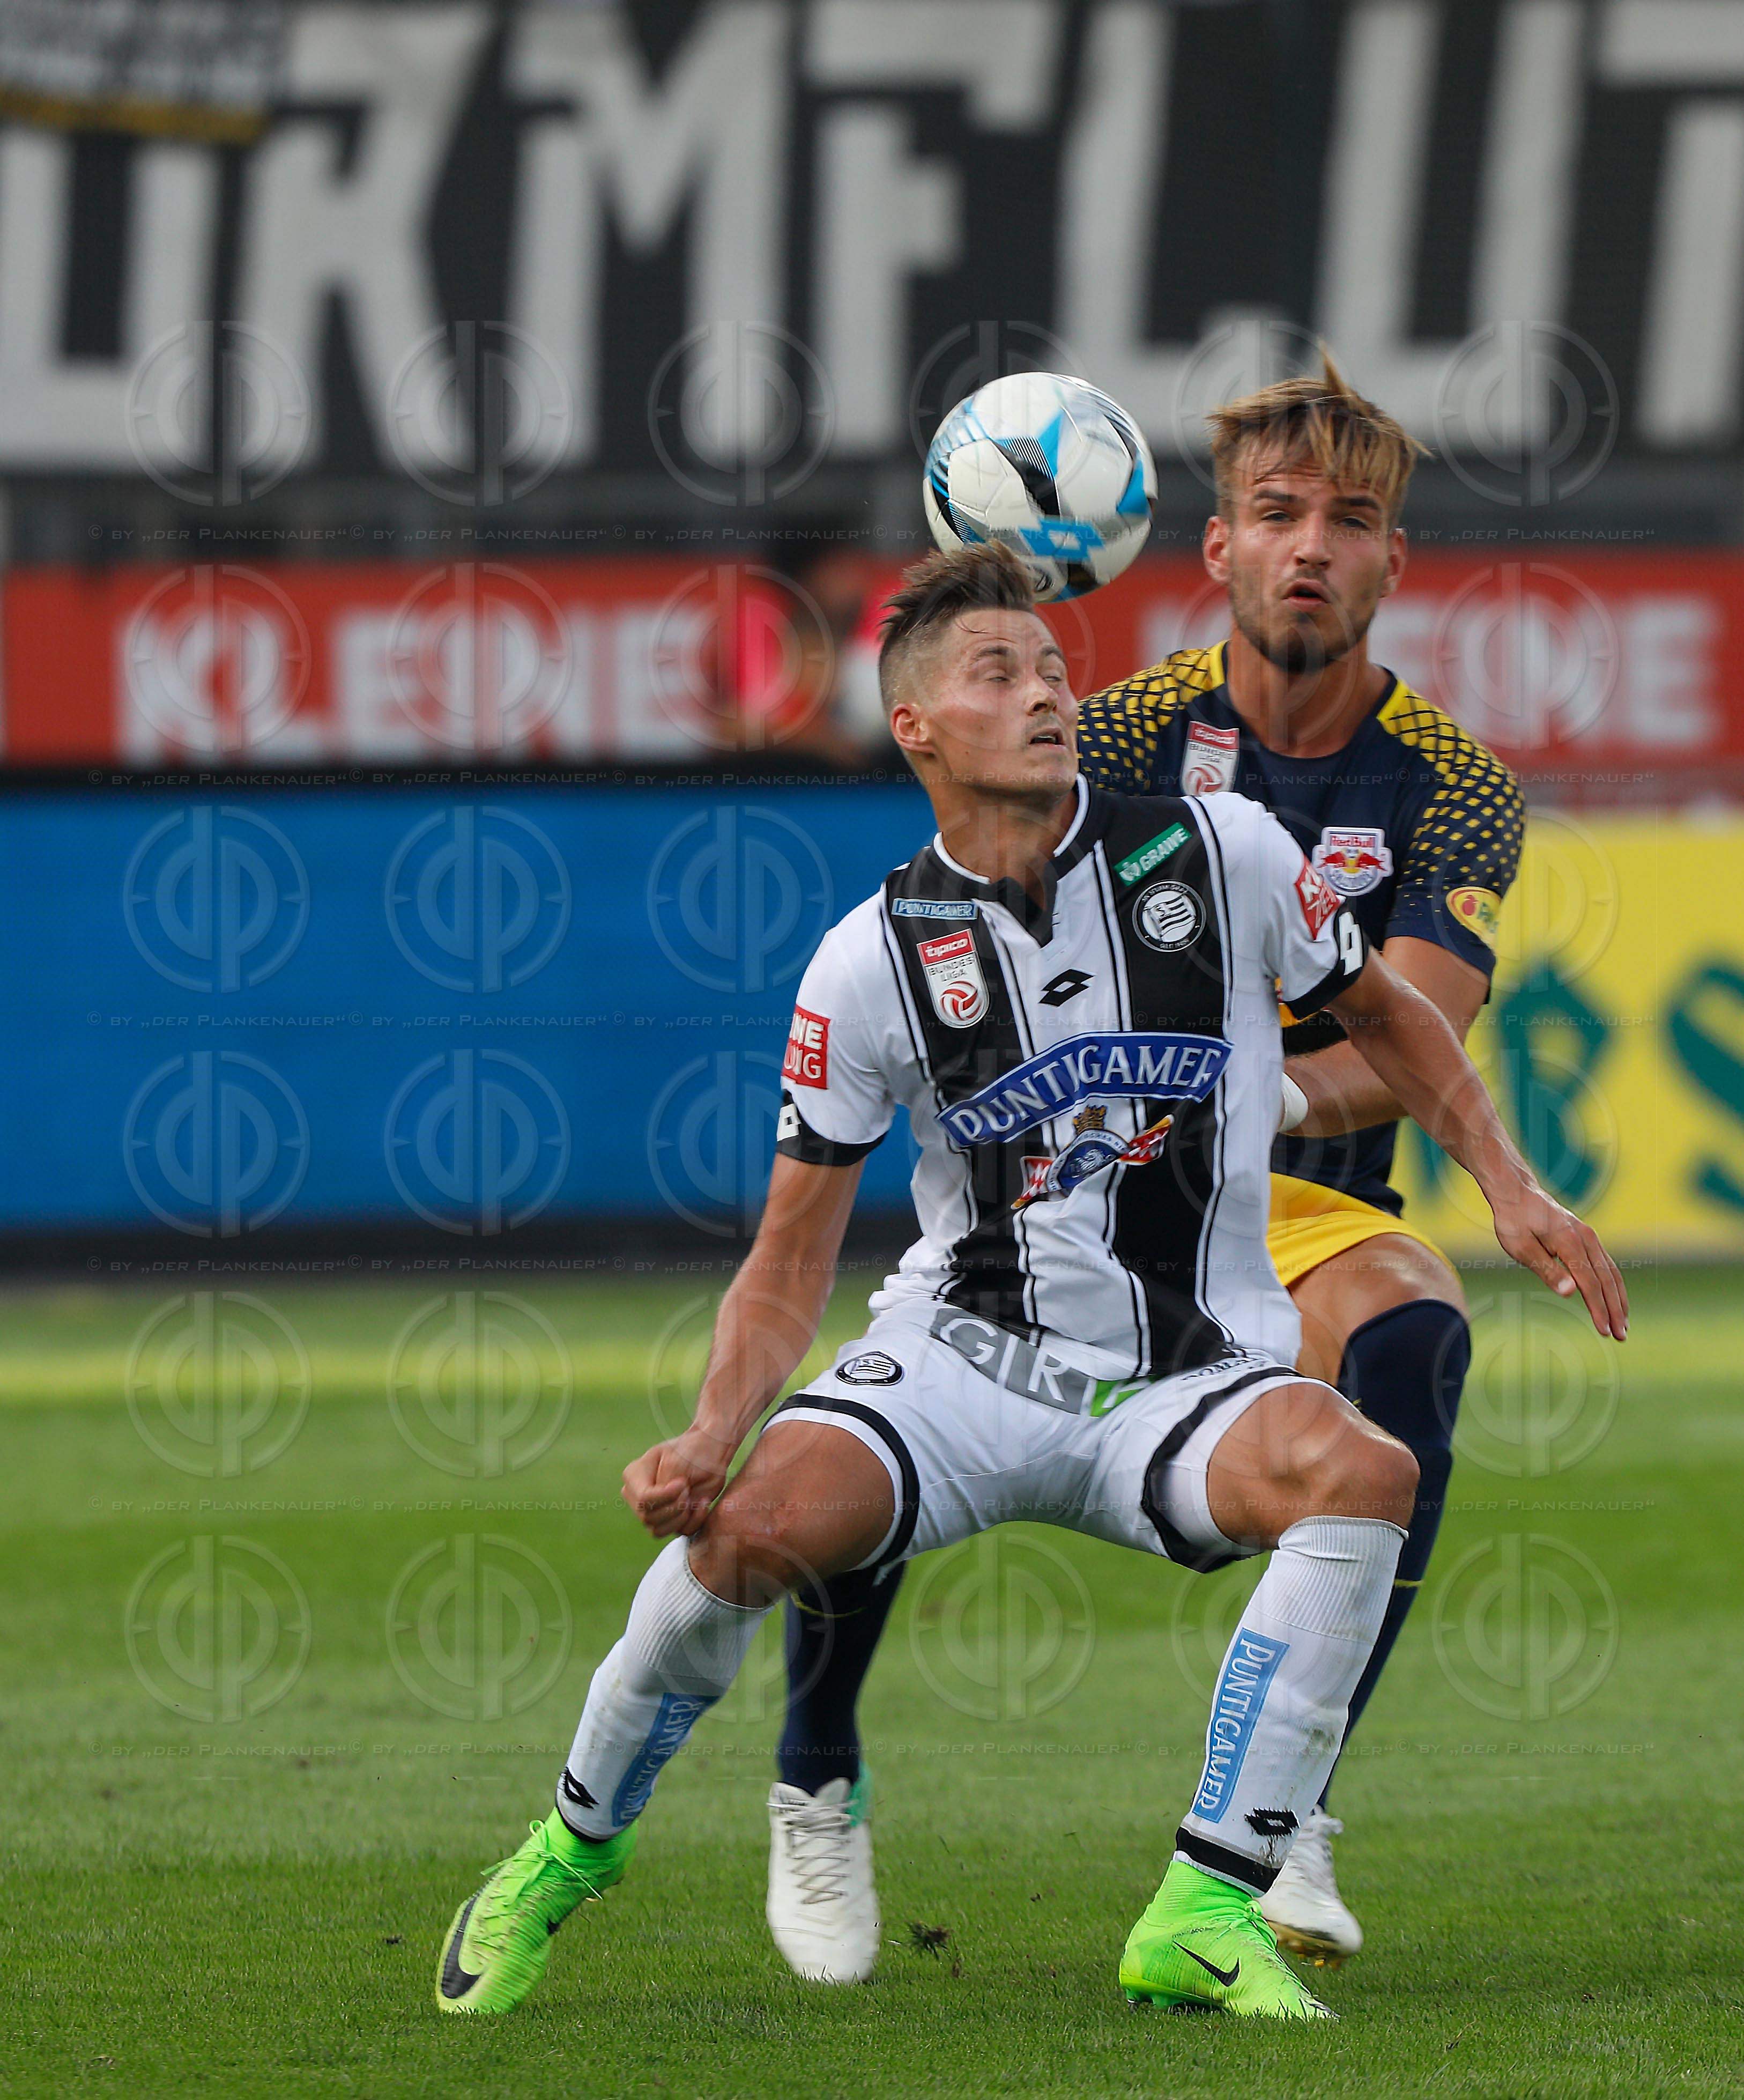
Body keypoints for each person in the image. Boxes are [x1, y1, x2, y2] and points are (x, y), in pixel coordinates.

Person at [437, 545, 1623, 2023]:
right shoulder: (866, 962)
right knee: (742, 1536)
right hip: (963, 1368)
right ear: (918, 726)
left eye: (1053, 666)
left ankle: (1206, 1901)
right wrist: (704, 1430)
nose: (1047, 690)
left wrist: (1512, 1183)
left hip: (1188, 1373)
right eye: (996, 672)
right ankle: (568, 1848)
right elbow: (788, 1258)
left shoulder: (1223, 854)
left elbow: (1384, 1012)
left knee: (1364, 1465)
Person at [768, 353, 1531, 1978]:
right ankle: (816, 1766)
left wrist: (1210, 1096)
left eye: (1352, 520)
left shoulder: (1453, 789)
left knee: (1411, 1332)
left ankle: (1289, 1813)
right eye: (1275, 514)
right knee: (895, 1400)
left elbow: (1413, 1036)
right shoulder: (1108, 727)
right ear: (1216, 555)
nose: (1311, 546)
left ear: (1394, 561)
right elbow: (954, 916)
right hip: (1053, 1175)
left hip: (1283, 1191)